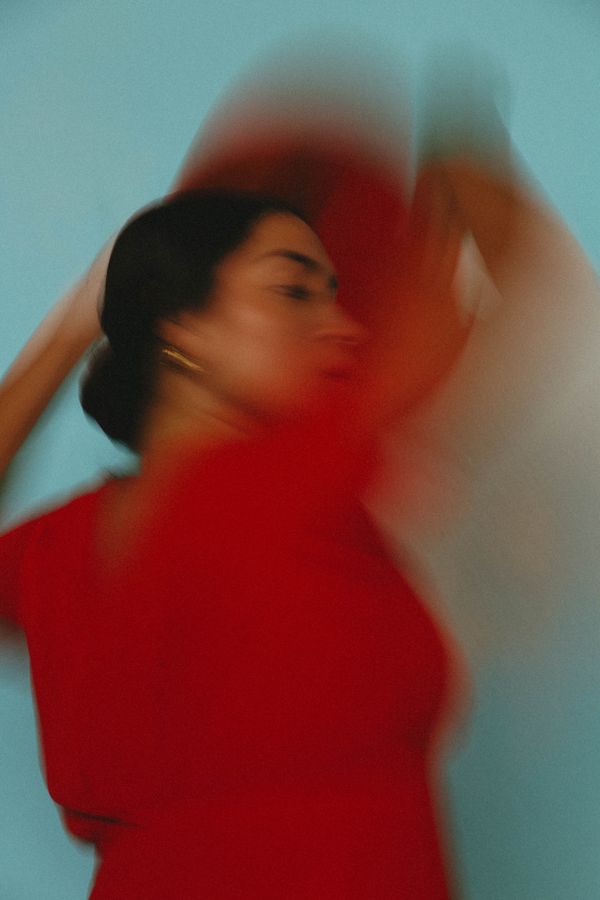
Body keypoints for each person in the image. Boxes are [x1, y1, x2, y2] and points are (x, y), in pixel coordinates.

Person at [0, 114, 550, 896]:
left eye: (333, 295)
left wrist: (75, 322)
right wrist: (466, 196)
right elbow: (455, 314)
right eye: (293, 291)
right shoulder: (279, 480)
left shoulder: (61, 551)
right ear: (182, 326)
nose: (341, 327)